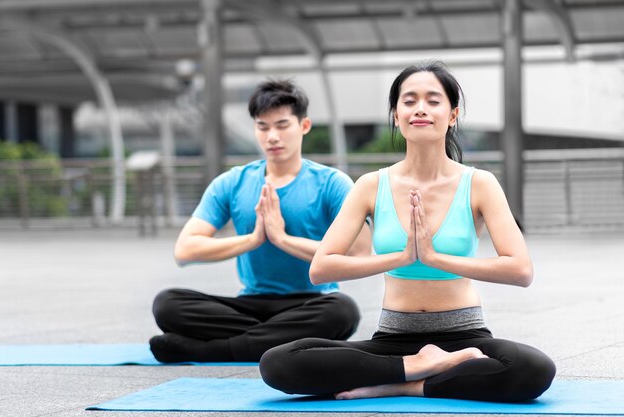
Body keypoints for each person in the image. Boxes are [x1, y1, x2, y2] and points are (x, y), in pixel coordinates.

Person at [259, 62, 556, 402]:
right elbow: (321, 268)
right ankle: (415, 367)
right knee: (278, 363)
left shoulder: (480, 184)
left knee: (534, 369)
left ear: (453, 114)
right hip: (393, 338)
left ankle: (406, 383)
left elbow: (520, 270)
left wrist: (434, 258)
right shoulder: (371, 185)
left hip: (465, 336)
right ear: (396, 115)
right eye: (409, 100)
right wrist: (401, 257)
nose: (420, 109)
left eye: (433, 100)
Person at [150, 79, 370, 363]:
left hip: (312, 302)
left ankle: (206, 350)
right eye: (263, 127)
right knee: (167, 304)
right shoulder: (232, 182)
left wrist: (283, 240)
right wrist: (253, 240)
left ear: (304, 126)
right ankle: (278, 342)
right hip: (249, 304)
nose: (272, 137)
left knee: (343, 312)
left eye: (282, 125)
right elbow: (185, 251)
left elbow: (360, 254)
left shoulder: (333, 183)